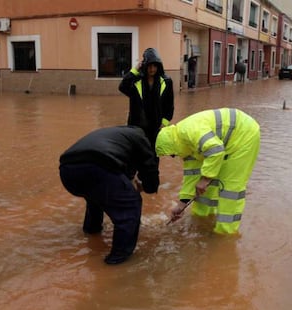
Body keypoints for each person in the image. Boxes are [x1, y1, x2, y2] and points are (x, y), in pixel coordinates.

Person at [59, 126, 160, 264]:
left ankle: (91, 232)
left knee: (96, 197)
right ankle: (118, 261)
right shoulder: (141, 138)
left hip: (67, 171)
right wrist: (148, 187)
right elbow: (150, 168)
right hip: (98, 166)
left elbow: (120, 169)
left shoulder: (118, 136)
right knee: (131, 205)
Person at [155, 108, 260, 234]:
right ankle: (202, 221)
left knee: (229, 189)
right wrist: (182, 204)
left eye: (171, 153)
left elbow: (216, 150)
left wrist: (205, 179)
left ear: (171, 145)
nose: (173, 156)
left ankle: (225, 234)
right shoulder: (185, 147)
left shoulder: (189, 132)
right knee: (205, 186)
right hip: (223, 142)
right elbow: (192, 176)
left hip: (244, 136)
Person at [119, 48, 174, 151]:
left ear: (158, 66)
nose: (152, 69)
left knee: (153, 158)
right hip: (136, 128)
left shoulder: (166, 82)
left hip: (155, 129)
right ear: (144, 66)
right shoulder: (136, 81)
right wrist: (135, 70)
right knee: (136, 158)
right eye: (149, 66)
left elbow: (169, 106)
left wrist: (164, 124)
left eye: (154, 66)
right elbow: (122, 87)